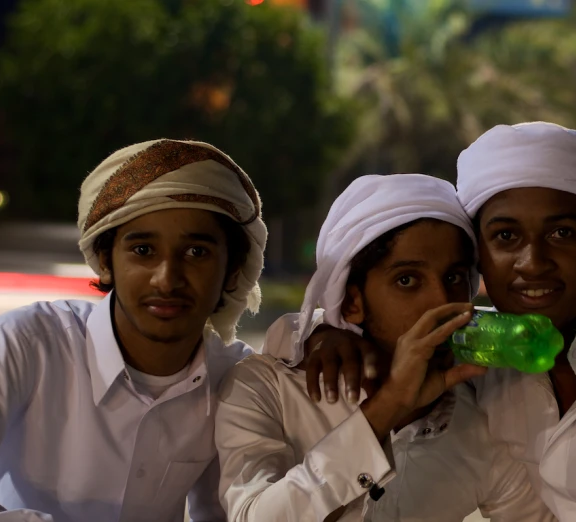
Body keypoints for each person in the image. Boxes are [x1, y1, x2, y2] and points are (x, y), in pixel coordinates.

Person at [285, 122, 576, 521]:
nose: (532, 263)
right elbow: (308, 330)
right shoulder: (487, 348)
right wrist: (327, 333)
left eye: (561, 233)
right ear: (480, 256)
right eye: (506, 236)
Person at [0, 139, 267, 522]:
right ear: (106, 263)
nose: (167, 279)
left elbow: (232, 512)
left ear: (233, 270)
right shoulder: (25, 344)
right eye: (143, 250)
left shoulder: (237, 379)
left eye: (196, 252)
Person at [217, 174, 554, 521]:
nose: (440, 301)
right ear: (351, 303)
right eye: (407, 280)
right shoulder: (263, 388)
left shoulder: (480, 421)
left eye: (454, 278)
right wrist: (387, 407)